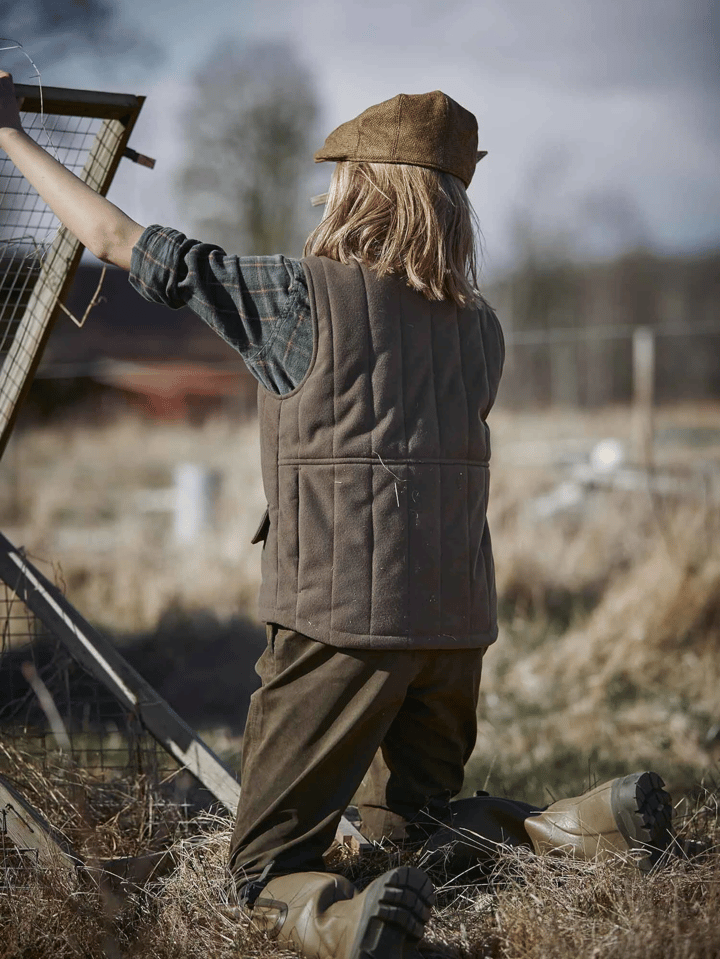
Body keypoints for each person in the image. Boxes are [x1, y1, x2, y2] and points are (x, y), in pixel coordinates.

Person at [0, 76, 674, 959]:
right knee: (417, 831)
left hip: (338, 627)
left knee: (260, 865)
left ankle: (344, 924)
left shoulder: (291, 297)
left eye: (338, 179)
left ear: (361, 189)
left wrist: (10, 133)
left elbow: (112, 236)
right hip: (458, 629)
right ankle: (587, 826)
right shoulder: (482, 328)